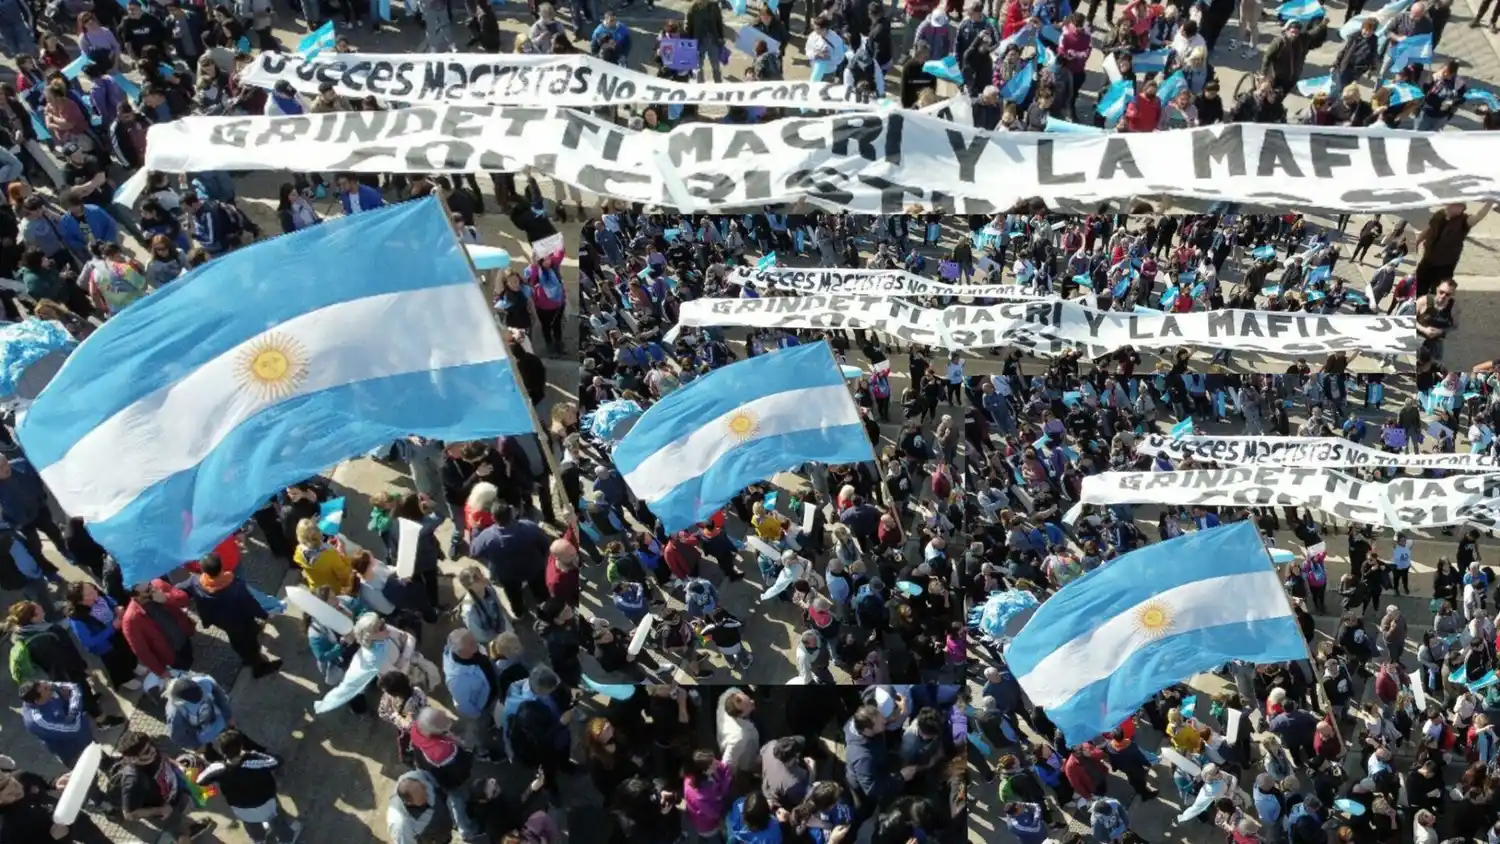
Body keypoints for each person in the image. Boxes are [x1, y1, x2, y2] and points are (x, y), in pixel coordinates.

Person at [181, 552, 282, 677]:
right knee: (250, 644)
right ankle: (259, 667)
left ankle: (247, 658)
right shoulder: (235, 586)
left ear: (203, 570)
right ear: (222, 566)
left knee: (236, 640)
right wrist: (265, 615)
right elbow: (251, 604)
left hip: (221, 621)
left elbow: (179, 589)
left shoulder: (195, 582)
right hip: (241, 621)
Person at [194, 729, 301, 844]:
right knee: (275, 817)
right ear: (241, 747)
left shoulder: (218, 768)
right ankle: (287, 838)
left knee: (251, 825)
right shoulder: (252, 761)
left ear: (221, 750)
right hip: (266, 805)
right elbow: (276, 761)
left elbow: (200, 780)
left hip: (242, 810)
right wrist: (253, 753)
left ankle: (259, 840)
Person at [116, 731, 212, 844]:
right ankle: (183, 835)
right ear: (133, 759)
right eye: (146, 751)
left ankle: (186, 829)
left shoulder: (151, 752)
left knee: (182, 816)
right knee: (181, 835)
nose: (153, 750)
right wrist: (160, 810)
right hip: (164, 813)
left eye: (151, 744)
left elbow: (163, 757)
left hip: (175, 795)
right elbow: (129, 814)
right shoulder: (133, 781)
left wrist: (179, 766)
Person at [0, 763, 112, 844]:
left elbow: (43, 781)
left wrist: (55, 782)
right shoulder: (4, 827)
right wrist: (52, 839)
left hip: (73, 818)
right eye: (11, 795)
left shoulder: (21, 776)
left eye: (15, 784)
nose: (19, 791)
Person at [120, 578, 196, 683]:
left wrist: (166, 598)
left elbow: (185, 600)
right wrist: (161, 671)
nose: (152, 590)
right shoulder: (131, 621)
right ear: (135, 596)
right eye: (147, 591)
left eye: (150, 585)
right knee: (185, 673)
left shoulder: (159, 584)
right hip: (172, 655)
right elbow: (143, 652)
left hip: (184, 637)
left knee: (190, 658)